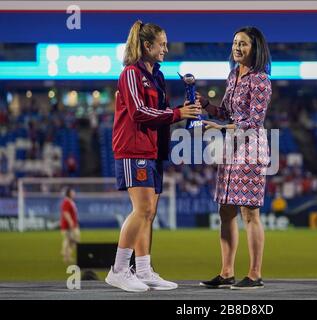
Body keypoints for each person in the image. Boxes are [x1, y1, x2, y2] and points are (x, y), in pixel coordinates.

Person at [105, 20, 201, 292]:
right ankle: (119, 269)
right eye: (162, 44)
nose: (166, 50)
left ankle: (144, 269)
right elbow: (138, 112)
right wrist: (177, 114)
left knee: (150, 213)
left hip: (152, 149)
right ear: (147, 45)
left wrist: (180, 110)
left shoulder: (156, 75)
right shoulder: (131, 74)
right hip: (133, 148)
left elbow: (159, 111)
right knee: (142, 209)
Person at [198, 26, 272, 290]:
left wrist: (220, 129)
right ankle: (226, 272)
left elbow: (253, 122)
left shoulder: (261, 79)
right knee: (226, 210)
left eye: (243, 44)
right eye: (235, 43)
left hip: (250, 150)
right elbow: (227, 112)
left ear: (255, 49)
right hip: (232, 150)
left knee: (249, 212)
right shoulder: (233, 75)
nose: (237, 48)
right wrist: (206, 106)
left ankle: (254, 274)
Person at [60, 187, 80, 264]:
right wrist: (71, 222)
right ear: (69, 193)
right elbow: (66, 213)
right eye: (73, 192)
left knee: (71, 240)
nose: (74, 194)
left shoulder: (70, 202)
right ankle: (65, 254)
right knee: (70, 240)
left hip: (72, 224)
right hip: (67, 226)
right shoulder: (66, 202)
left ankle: (66, 253)